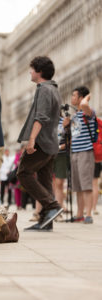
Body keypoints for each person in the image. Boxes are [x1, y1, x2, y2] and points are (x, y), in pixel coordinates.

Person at [17, 56, 63, 232]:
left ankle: (52, 206)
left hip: (42, 142)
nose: (30, 72)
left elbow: (41, 117)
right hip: (51, 142)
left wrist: (32, 139)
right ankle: (46, 221)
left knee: (23, 172)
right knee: (44, 180)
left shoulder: (44, 89)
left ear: (39, 72)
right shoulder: (54, 89)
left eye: (32, 69)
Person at [62, 86, 96, 224]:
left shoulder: (88, 112)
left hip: (85, 152)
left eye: (74, 96)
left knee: (86, 184)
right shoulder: (75, 115)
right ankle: (79, 214)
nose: (72, 99)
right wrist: (66, 126)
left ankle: (88, 214)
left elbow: (84, 105)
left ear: (81, 98)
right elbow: (72, 136)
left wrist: (88, 97)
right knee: (77, 185)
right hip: (74, 152)